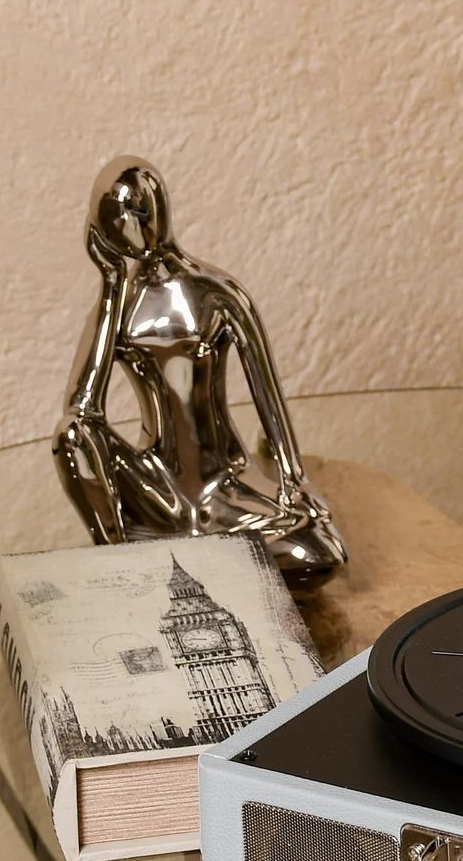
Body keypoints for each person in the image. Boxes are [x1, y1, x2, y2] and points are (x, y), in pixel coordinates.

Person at [54, 159, 345, 591]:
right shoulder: (117, 308)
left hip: (220, 482)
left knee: (317, 554)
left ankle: (178, 557)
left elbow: (267, 397)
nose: (130, 227)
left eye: (138, 211)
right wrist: (111, 284)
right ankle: (119, 560)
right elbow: (82, 411)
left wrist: (292, 481)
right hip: (158, 484)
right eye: (115, 218)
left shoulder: (215, 292)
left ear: (160, 211)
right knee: (71, 435)